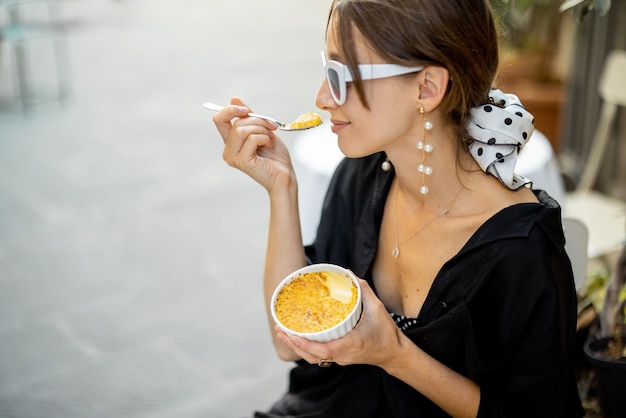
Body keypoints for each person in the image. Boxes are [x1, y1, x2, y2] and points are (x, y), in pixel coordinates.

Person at [211, 0, 584, 416]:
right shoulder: (362, 177)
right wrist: (282, 190)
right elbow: (293, 344)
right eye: (325, 69)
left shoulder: (521, 250)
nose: (321, 99)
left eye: (340, 75)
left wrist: (394, 354)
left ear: (427, 88)